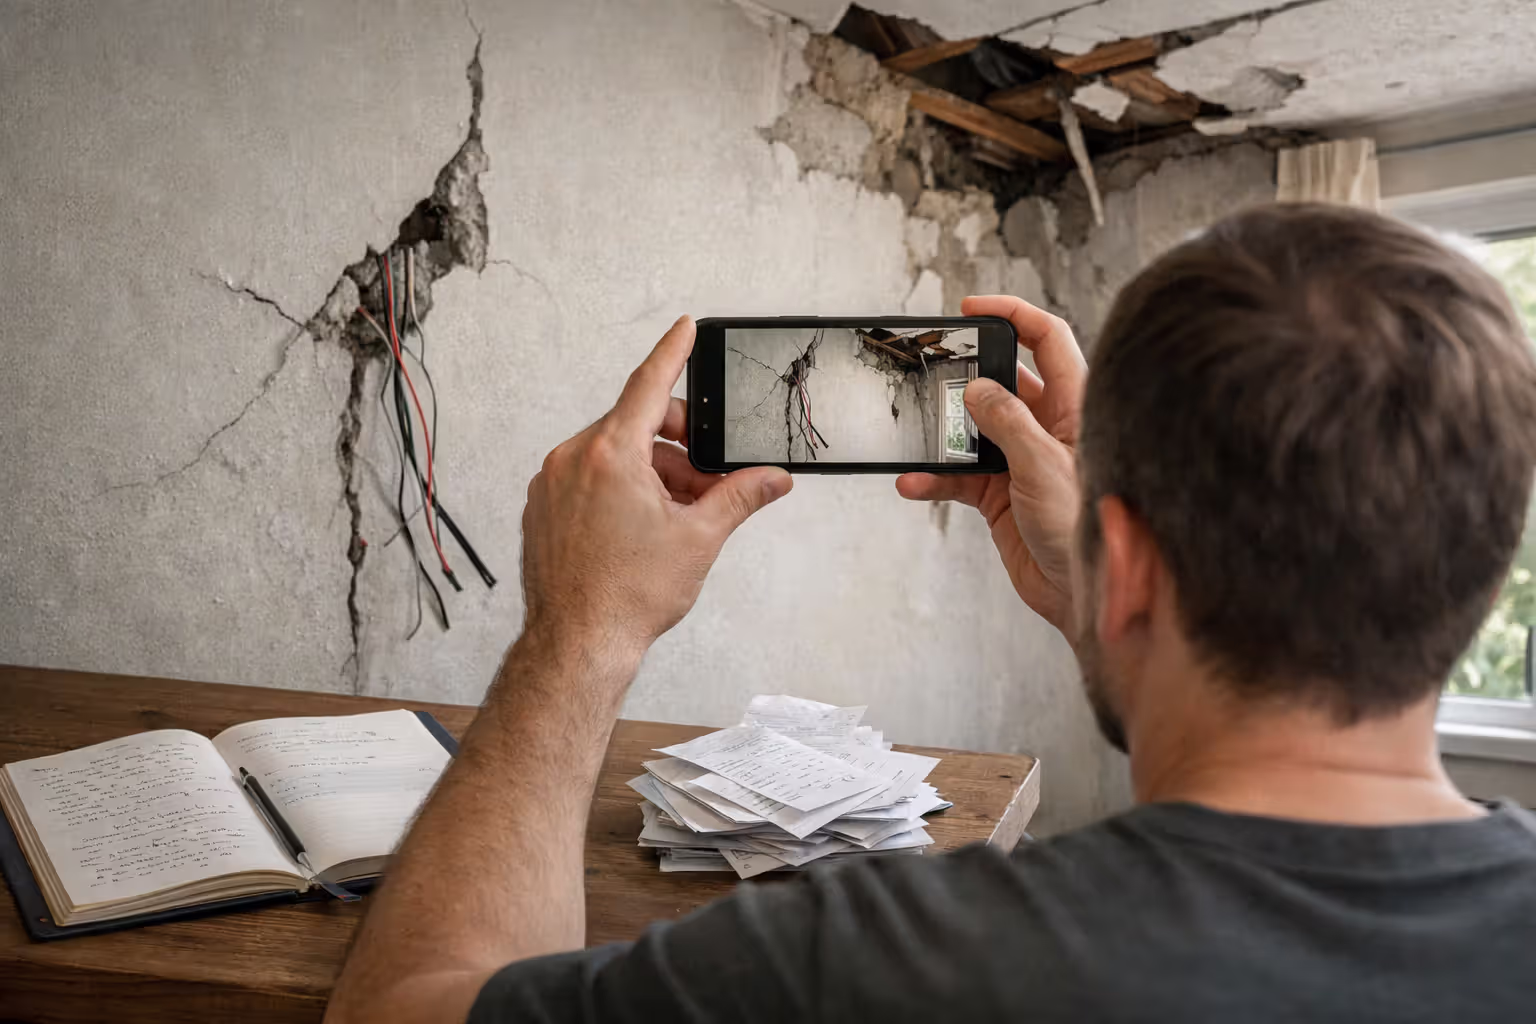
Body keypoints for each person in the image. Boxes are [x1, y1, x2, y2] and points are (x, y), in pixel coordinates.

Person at [325, 203, 1536, 1024]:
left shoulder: (878, 966)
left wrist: (578, 631)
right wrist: (1103, 598)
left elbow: (406, 1005)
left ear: (1128, 556)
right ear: (1478, 568)